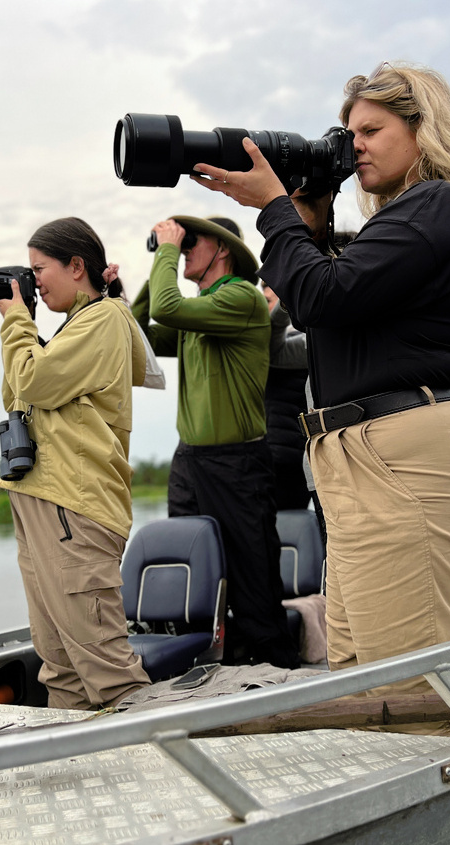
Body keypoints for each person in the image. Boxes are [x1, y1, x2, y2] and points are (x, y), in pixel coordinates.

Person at [190, 63, 450, 734]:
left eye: (372, 129)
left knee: (413, 688)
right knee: (365, 675)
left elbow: (319, 295)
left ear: (424, 131)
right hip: (363, 457)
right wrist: (303, 216)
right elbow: (330, 302)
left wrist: (276, 211)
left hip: (407, 457)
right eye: (349, 131)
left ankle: (441, 811)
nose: (354, 143)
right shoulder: (403, 223)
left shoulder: (440, 206)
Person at [0, 217, 150, 711]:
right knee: (59, 666)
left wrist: (16, 319)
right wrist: (23, 324)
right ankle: (83, 771)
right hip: (43, 500)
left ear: (76, 266)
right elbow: (16, 393)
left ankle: (155, 773)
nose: (32, 281)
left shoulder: (103, 319)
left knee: (105, 669)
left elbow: (34, 383)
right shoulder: (74, 326)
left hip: (73, 509)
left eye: (39, 269)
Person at [131, 215, 299, 669]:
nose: (183, 249)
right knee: (197, 564)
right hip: (190, 460)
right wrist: (155, 260)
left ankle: (276, 671)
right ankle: (210, 665)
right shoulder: (199, 309)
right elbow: (142, 332)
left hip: (237, 461)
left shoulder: (241, 297)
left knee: (253, 579)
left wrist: (167, 251)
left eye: (191, 242)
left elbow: (167, 308)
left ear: (222, 249)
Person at [262, 282, 310, 511]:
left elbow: (272, 348)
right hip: (272, 455)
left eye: (270, 303)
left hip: (288, 457)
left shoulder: (303, 344)